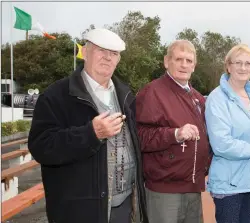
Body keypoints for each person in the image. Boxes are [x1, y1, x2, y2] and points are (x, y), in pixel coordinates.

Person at [28, 28, 148, 223]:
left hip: (124, 207)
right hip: (80, 212)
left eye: (114, 53)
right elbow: (41, 147)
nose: (108, 58)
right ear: (85, 52)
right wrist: (91, 133)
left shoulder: (125, 94)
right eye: (101, 50)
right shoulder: (56, 95)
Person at [135, 39, 211, 223]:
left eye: (189, 60)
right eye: (178, 59)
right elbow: (139, 137)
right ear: (166, 61)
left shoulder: (198, 98)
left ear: (194, 65)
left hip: (193, 186)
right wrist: (174, 134)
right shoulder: (152, 92)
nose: (184, 65)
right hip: (165, 189)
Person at [204, 44, 250, 223]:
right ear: (228, 66)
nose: (243, 68)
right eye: (238, 62)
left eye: (248, 63)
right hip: (229, 185)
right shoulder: (217, 98)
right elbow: (221, 144)